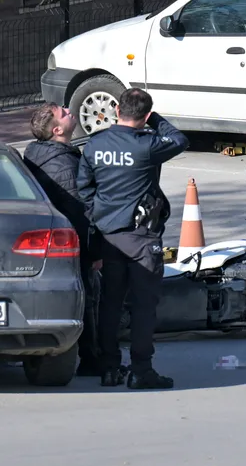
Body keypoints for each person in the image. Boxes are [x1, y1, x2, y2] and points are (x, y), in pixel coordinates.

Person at [77, 88, 189, 390]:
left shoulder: (95, 144)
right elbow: (180, 140)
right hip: (141, 237)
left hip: (108, 235)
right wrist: (157, 120)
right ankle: (142, 369)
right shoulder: (148, 145)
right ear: (145, 116)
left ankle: (110, 368)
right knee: (143, 306)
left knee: (110, 304)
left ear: (116, 109)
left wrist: (99, 216)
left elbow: (83, 188)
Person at [22, 103, 104, 377]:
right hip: (71, 246)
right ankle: (92, 359)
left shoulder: (38, 154)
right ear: (57, 130)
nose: (70, 111)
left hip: (50, 243)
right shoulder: (63, 166)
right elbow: (80, 214)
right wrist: (95, 253)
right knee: (88, 299)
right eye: (64, 113)